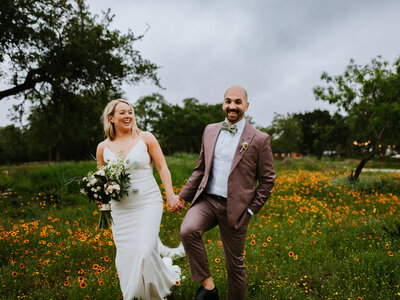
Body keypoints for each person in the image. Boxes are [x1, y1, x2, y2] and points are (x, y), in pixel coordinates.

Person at [177, 86, 276, 300]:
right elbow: (201, 168)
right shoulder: (210, 130)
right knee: (188, 230)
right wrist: (183, 197)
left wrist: (249, 211)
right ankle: (209, 288)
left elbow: (268, 180)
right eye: (228, 101)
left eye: (238, 102)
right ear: (223, 104)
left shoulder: (259, 139)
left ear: (246, 106)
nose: (232, 106)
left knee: (235, 267)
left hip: (237, 210)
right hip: (208, 201)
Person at [96, 99, 185, 300]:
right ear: (111, 118)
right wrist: (101, 197)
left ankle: (157, 291)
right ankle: (134, 294)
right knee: (127, 256)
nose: (128, 116)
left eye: (130, 112)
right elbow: (101, 178)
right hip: (120, 209)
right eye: (122, 113)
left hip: (147, 202)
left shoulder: (146, 138)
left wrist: (170, 194)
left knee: (144, 251)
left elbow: (162, 167)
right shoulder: (103, 147)